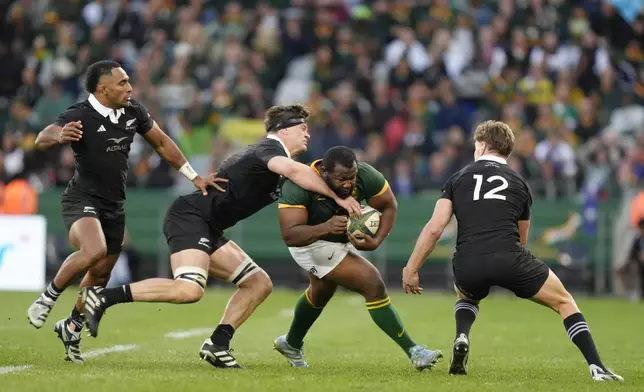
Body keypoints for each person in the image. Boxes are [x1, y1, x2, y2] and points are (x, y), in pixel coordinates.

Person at [80, 105, 361, 369]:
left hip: (208, 226)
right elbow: (292, 170)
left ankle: (217, 344)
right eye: (303, 128)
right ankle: (103, 297)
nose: (308, 133)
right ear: (283, 130)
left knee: (258, 283)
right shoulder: (271, 148)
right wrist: (338, 196)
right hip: (190, 217)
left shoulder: (269, 153)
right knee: (190, 289)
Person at [26, 60, 223, 364]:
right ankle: (48, 296)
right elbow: (41, 138)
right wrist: (59, 136)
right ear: (102, 89)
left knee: (101, 274)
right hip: (81, 199)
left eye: (129, 81)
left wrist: (194, 177)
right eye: (122, 83)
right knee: (94, 249)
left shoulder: (134, 111)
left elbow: (161, 142)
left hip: (114, 205)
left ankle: (72, 326)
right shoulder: (80, 114)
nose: (130, 87)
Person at [402, 120, 623, 382]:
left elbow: (435, 228)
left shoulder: (458, 178)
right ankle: (597, 367)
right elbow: (522, 238)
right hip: (509, 257)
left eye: (476, 146)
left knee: (466, 294)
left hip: (468, 261)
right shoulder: (519, 183)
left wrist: (412, 267)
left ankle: (462, 336)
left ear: (483, 145)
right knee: (564, 302)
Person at [273, 146, 443, 370]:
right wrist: (325, 227)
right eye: (341, 178)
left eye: (351, 177)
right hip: (308, 244)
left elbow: (389, 205)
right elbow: (290, 235)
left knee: (321, 292)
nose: (348, 184)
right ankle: (414, 351)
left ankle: (291, 343)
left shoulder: (365, 175)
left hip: (337, 240)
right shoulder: (298, 184)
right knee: (371, 282)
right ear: (324, 172)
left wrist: (377, 240)